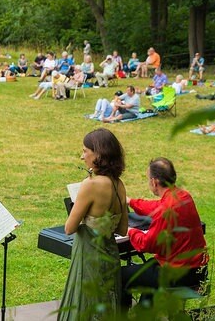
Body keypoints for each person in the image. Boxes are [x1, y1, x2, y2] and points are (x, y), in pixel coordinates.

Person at [58, 128, 129, 321]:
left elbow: (69, 228)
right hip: (110, 253)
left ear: (98, 154)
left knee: (84, 304)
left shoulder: (91, 184)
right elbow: (123, 229)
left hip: (89, 255)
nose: (82, 157)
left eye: (85, 151)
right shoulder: (119, 184)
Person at [121, 157, 208, 308]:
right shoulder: (183, 196)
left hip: (177, 274)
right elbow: (156, 206)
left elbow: (147, 244)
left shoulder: (166, 209)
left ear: (154, 182)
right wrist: (130, 202)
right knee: (148, 271)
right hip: (197, 270)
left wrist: (128, 230)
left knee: (119, 274)